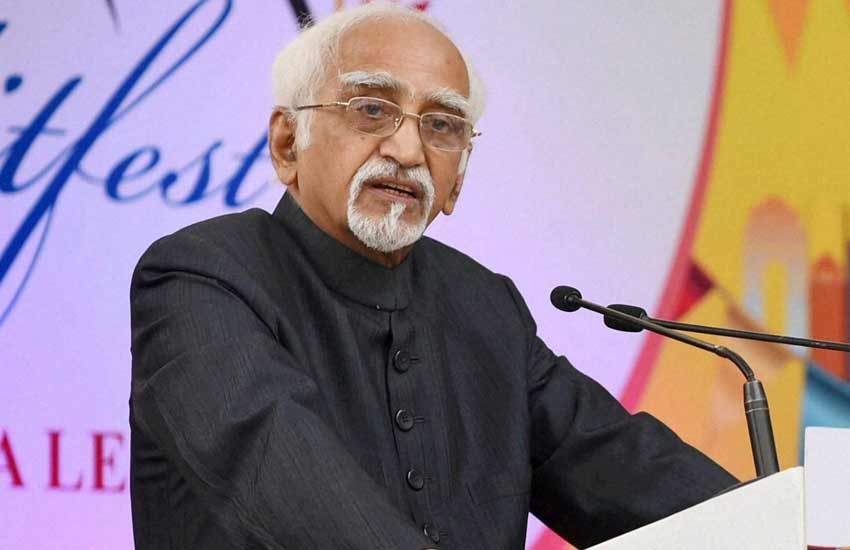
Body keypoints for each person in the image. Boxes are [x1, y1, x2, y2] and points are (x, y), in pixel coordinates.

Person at [129, 4, 737, 550]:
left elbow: (621, 467)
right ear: (288, 144)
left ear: (458, 178)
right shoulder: (201, 276)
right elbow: (275, 465)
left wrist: (771, 521)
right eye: (372, 109)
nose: (408, 150)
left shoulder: (485, 307)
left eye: (442, 124)